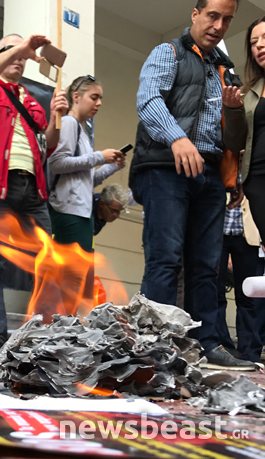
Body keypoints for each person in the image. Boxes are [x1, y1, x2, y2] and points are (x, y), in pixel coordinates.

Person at [129, 0, 256, 370]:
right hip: (166, 167)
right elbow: (148, 99)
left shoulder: (226, 72)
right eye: (213, 16)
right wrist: (175, 138)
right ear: (195, 14)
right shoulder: (168, 52)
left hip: (212, 174)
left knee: (207, 267)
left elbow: (233, 134)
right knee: (165, 259)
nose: (219, 25)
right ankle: (156, 346)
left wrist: (232, 169)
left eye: (227, 19)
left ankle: (207, 343)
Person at [0, 33, 69, 351]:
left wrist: (55, 120)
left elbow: (45, 147)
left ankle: (45, 332)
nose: (19, 58)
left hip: (31, 190)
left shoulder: (32, 100)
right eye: (10, 52)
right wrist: (20, 48)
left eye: (22, 54)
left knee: (50, 260)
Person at [48, 75, 125, 252]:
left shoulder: (82, 131)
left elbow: (85, 179)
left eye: (100, 99)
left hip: (81, 211)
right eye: (94, 97)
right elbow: (57, 163)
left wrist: (112, 164)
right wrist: (99, 157)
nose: (99, 103)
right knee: (70, 274)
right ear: (76, 97)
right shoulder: (69, 122)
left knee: (76, 275)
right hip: (69, 210)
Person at [222, 15, 265, 237]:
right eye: (253, 42)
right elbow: (234, 142)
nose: (259, 45)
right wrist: (232, 110)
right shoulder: (249, 94)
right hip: (257, 180)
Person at [215, 197, 264, 363]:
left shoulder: (251, 171)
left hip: (247, 238)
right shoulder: (223, 171)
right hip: (217, 235)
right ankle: (223, 347)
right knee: (216, 294)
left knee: (248, 297)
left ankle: (250, 352)